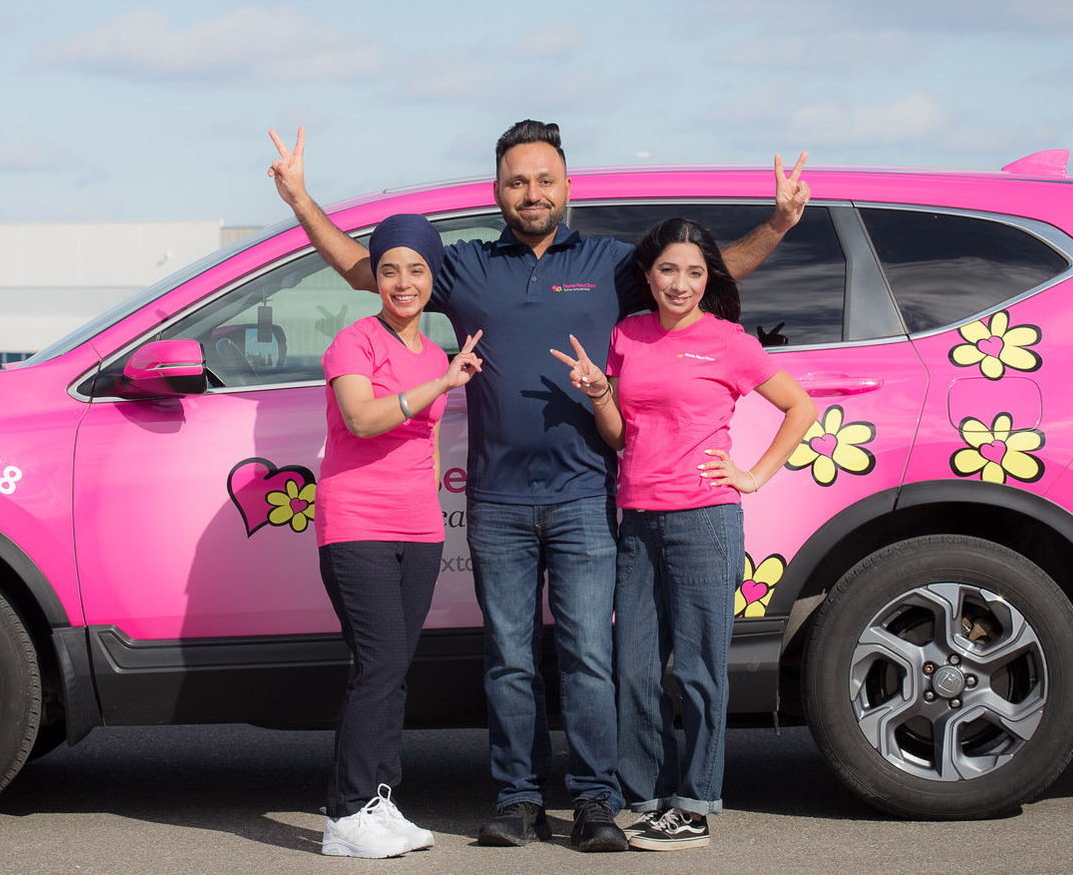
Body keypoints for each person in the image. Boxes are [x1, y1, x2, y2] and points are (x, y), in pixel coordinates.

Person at [269, 121, 809, 852]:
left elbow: (706, 273)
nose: (531, 192)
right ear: (498, 190)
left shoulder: (610, 263)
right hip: (494, 500)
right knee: (510, 659)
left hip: (586, 497)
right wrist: (301, 199)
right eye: (517, 181)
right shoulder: (461, 269)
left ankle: (593, 800)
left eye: (544, 179)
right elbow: (368, 272)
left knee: (590, 655)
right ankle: (518, 797)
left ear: (565, 185)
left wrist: (776, 223)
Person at [551, 217, 817, 851]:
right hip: (638, 518)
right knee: (635, 666)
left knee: (697, 668)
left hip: (704, 518)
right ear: (648, 275)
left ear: (708, 280)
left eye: (695, 272)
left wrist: (752, 475)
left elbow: (800, 407)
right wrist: (598, 393)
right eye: (668, 270)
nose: (680, 283)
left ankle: (695, 806)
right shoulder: (627, 336)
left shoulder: (728, 342)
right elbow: (620, 436)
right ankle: (648, 796)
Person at [314, 213, 484, 858]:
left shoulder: (435, 351)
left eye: (416, 270)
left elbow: (430, 440)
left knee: (395, 670)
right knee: (378, 665)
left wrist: (432, 508)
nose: (403, 282)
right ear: (375, 279)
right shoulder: (354, 343)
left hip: (416, 527)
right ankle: (344, 814)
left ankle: (379, 800)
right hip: (356, 523)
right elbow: (360, 419)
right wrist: (438, 385)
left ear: (431, 277)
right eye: (389, 270)